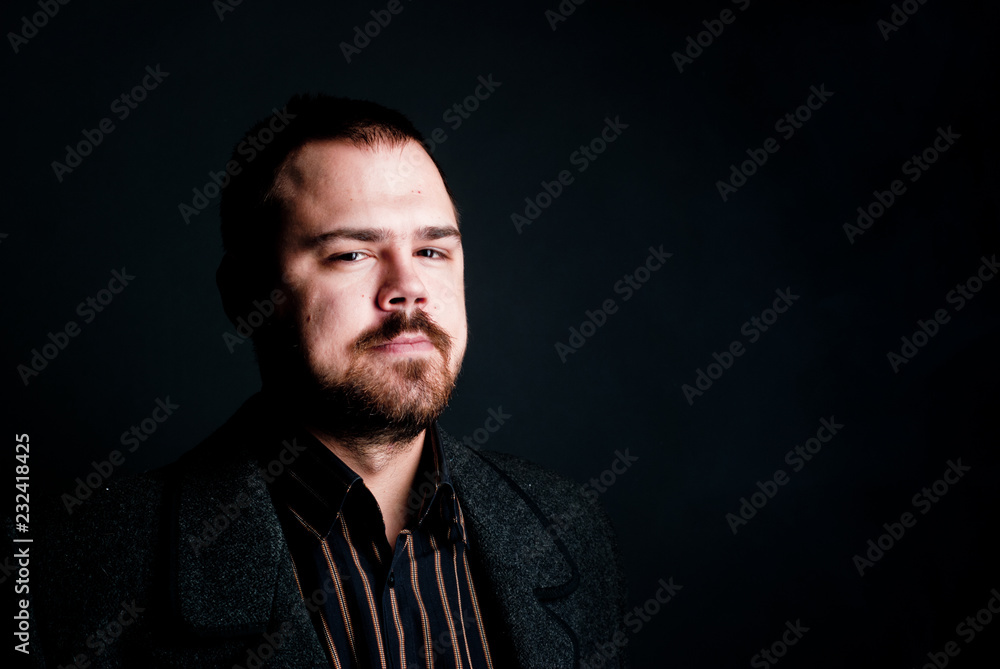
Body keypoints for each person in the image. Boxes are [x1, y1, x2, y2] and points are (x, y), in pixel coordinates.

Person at [29, 95, 627, 668]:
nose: (408, 288)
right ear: (247, 297)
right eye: (351, 254)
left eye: (432, 252)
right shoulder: (72, 571)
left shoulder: (566, 525)